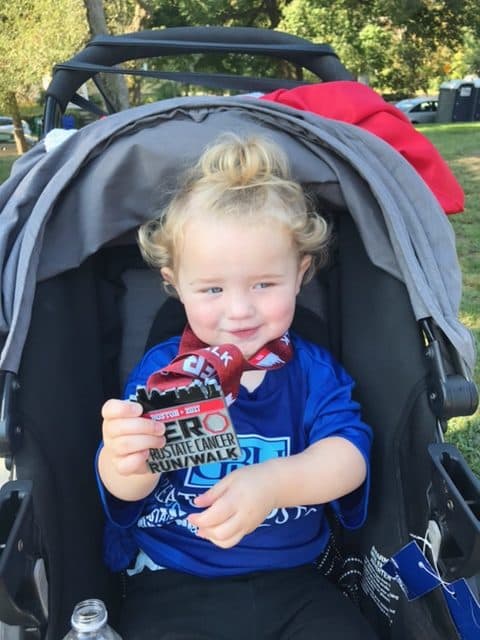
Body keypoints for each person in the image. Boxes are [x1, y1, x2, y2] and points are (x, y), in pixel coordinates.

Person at [97, 133, 377, 639]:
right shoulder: (165, 372)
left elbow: (349, 456)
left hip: (295, 576)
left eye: (264, 284)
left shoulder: (313, 372)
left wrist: (272, 484)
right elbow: (125, 491)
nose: (240, 309)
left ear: (301, 274)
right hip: (174, 575)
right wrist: (123, 461)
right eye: (212, 289)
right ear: (175, 285)